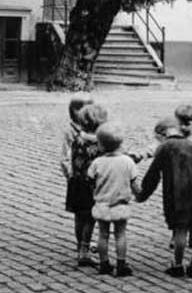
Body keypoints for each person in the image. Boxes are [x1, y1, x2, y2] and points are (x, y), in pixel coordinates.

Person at [137, 105, 192, 279]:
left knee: (180, 231)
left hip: (178, 196)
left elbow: (153, 175)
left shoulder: (164, 148)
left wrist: (142, 194)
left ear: (162, 136)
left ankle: (177, 265)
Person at [87, 122, 141, 277]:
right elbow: (133, 183)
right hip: (120, 205)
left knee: (103, 234)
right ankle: (121, 263)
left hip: (102, 205)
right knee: (120, 234)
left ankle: (104, 263)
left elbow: (90, 181)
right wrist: (139, 195)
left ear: (101, 145)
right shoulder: (128, 162)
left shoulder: (97, 163)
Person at [61, 101, 108, 267]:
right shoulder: (100, 144)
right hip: (91, 186)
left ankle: (79, 245)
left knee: (79, 217)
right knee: (90, 219)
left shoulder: (77, 138)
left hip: (75, 184)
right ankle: (84, 250)